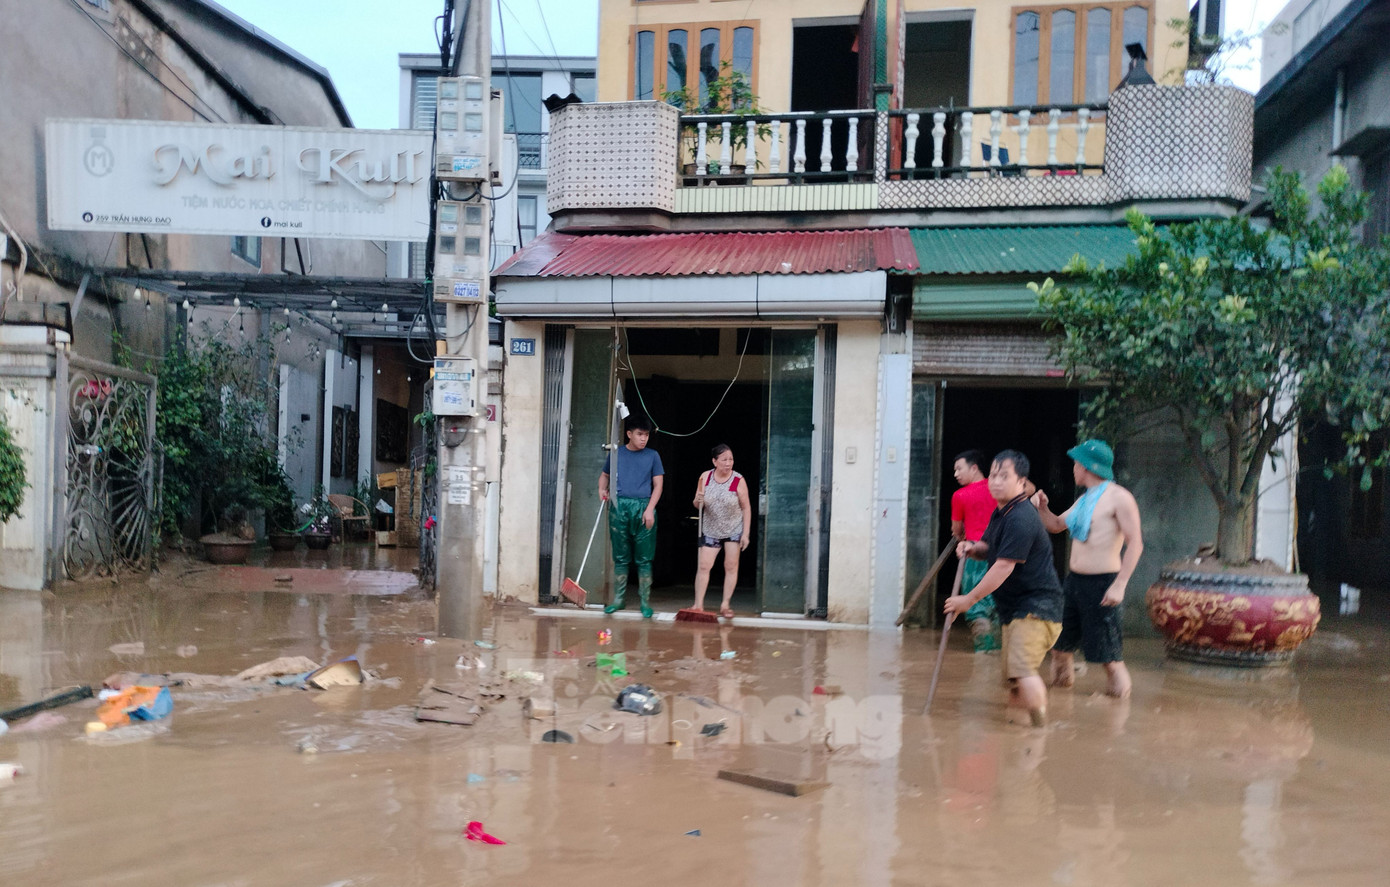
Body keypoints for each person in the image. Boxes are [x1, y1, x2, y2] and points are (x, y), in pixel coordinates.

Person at [944, 450, 1064, 727]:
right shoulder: (1002, 513)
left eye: (1004, 476)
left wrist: (969, 600)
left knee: (1022, 672)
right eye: (994, 475)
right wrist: (971, 548)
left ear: (1022, 483)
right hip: (1015, 611)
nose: (996, 482)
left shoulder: (1021, 517)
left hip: (1036, 610)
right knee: (1013, 681)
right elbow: (989, 549)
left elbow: (1003, 566)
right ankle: (1019, 736)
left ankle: (1041, 735)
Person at [1031, 438, 1142, 699]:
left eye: (1075, 464)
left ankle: (1117, 713)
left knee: (1109, 658)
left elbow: (1136, 543)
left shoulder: (1120, 498)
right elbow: (1057, 525)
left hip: (1104, 585)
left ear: (1087, 467)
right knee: (1060, 649)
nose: (1073, 469)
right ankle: (1060, 703)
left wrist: (1120, 585)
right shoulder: (1085, 501)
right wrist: (1042, 508)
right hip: (1074, 583)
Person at [598, 414, 664, 618]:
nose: (644, 438)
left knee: (644, 558)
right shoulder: (617, 454)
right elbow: (605, 475)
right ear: (629, 434)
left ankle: (645, 601)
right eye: (639, 434)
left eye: (646, 435)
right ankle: (619, 599)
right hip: (620, 506)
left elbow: (658, 485)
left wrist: (649, 509)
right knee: (620, 556)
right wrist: (602, 489)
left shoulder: (653, 455)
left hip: (644, 506)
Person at [691, 444, 753, 619]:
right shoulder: (705, 477)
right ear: (714, 461)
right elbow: (697, 505)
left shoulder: (738, 480)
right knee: (704, 566)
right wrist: (698, 499)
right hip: (710, 528)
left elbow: (746, 507)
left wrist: (745, 533)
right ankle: (698, 604)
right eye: (724, 460)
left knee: (731, 566)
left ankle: (725, 605)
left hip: (733, 529)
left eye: (731, 459)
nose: (728, 463)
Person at [950, 449, 1002, 652]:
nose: (955, 474)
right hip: (1001, 553)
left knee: (975, 606)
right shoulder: (999, 489)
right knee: (998, 603)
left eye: (959, 469)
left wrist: (961, 535)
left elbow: (957, 530)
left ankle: (983, 654)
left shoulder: (960, 495)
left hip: (974, 554)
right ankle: (998, 651)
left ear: (974, 468)